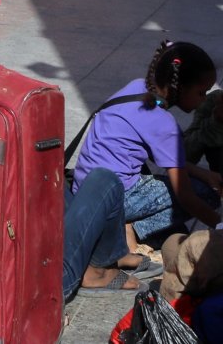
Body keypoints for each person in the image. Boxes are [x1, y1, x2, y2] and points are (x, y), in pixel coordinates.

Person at [72, 40, 223, 246]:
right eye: (201, 92)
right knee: (206, 192)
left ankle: (128, 226)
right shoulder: (164, 123)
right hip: (111, 201)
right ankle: (131, 230)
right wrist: (220, 224)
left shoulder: (137, 87)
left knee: (192, 181)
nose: (204, 99)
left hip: (86, 188)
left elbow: (165, 157)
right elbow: (186, 196)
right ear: (179, 86)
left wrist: (203, 172)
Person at [63, 168, 159, 301]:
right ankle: (100, 271)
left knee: (45, 175)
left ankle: (100, 254)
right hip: (53, 278)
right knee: (107, 181)